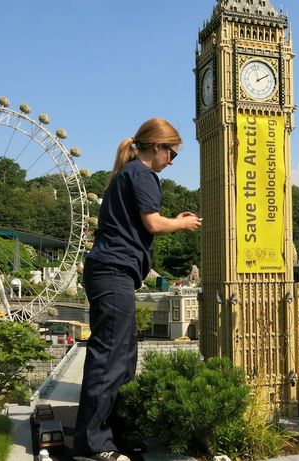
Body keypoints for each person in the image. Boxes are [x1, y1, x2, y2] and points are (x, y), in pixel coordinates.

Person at [73, 117, 202, 461]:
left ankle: (113, 433)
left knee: (124, 356)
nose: (172, 161)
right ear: (157, 147)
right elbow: (153, 223)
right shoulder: (143, 174)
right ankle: (92, 445)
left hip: (114, 272)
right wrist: (183, 223)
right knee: (111, 357)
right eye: (172, 153)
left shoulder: (128, 173)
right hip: (113, 271)